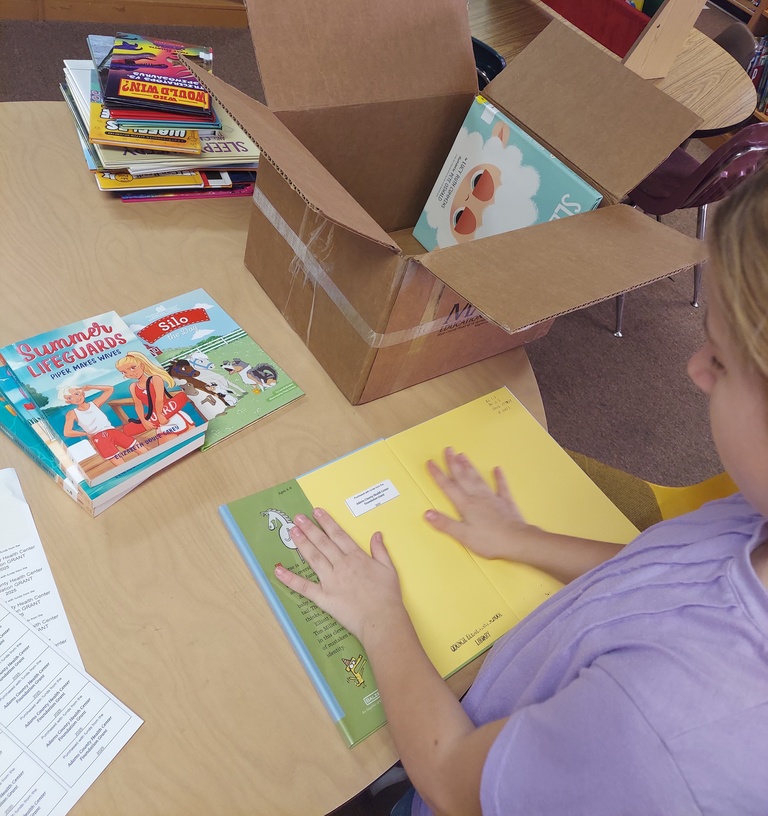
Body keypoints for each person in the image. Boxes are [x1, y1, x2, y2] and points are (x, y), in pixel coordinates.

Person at [275, 163, 768, 815]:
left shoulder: (662, 737)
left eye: (723, 361)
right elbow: (668, 577)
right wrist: (523, 538)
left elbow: (452, 780)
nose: (694, 367)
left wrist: (379, 616)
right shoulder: (754, 514)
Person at [60, 383, 148, 467]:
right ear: (67, 401)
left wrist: (91, 387)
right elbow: (67, 432)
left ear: (82, 392)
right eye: (70, 397)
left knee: (143, 450)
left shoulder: (94, 404)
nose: (76, 398)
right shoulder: (72, 413)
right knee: (121, 464)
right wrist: (85, 434)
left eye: (76, 394)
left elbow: (110, 389)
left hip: (112, 431)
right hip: (99, 438)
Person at [115, 352, 194, 439]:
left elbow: (159, 399)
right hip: (155, 417)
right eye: (124, 372)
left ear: (141, 365)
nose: (130, 373)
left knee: (187, 434)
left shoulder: (155, 379)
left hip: (169, 412)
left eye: (133, 368)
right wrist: (144, 421)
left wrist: (160, 415)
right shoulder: (133, 387)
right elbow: (138, 405)